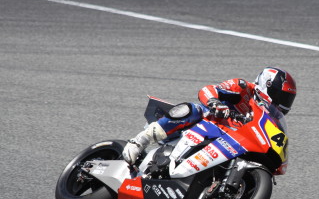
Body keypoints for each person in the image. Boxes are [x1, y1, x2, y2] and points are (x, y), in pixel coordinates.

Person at [122, 67, 297, 164]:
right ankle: (140, 140)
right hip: (208, 126)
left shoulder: (269, 117)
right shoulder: (243, 88)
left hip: (230, 143)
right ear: (267, 86)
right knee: (193, 110)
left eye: (288, 99)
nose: (284, 103)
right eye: (283, 96)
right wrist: (215, 103)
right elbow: (208, 90)